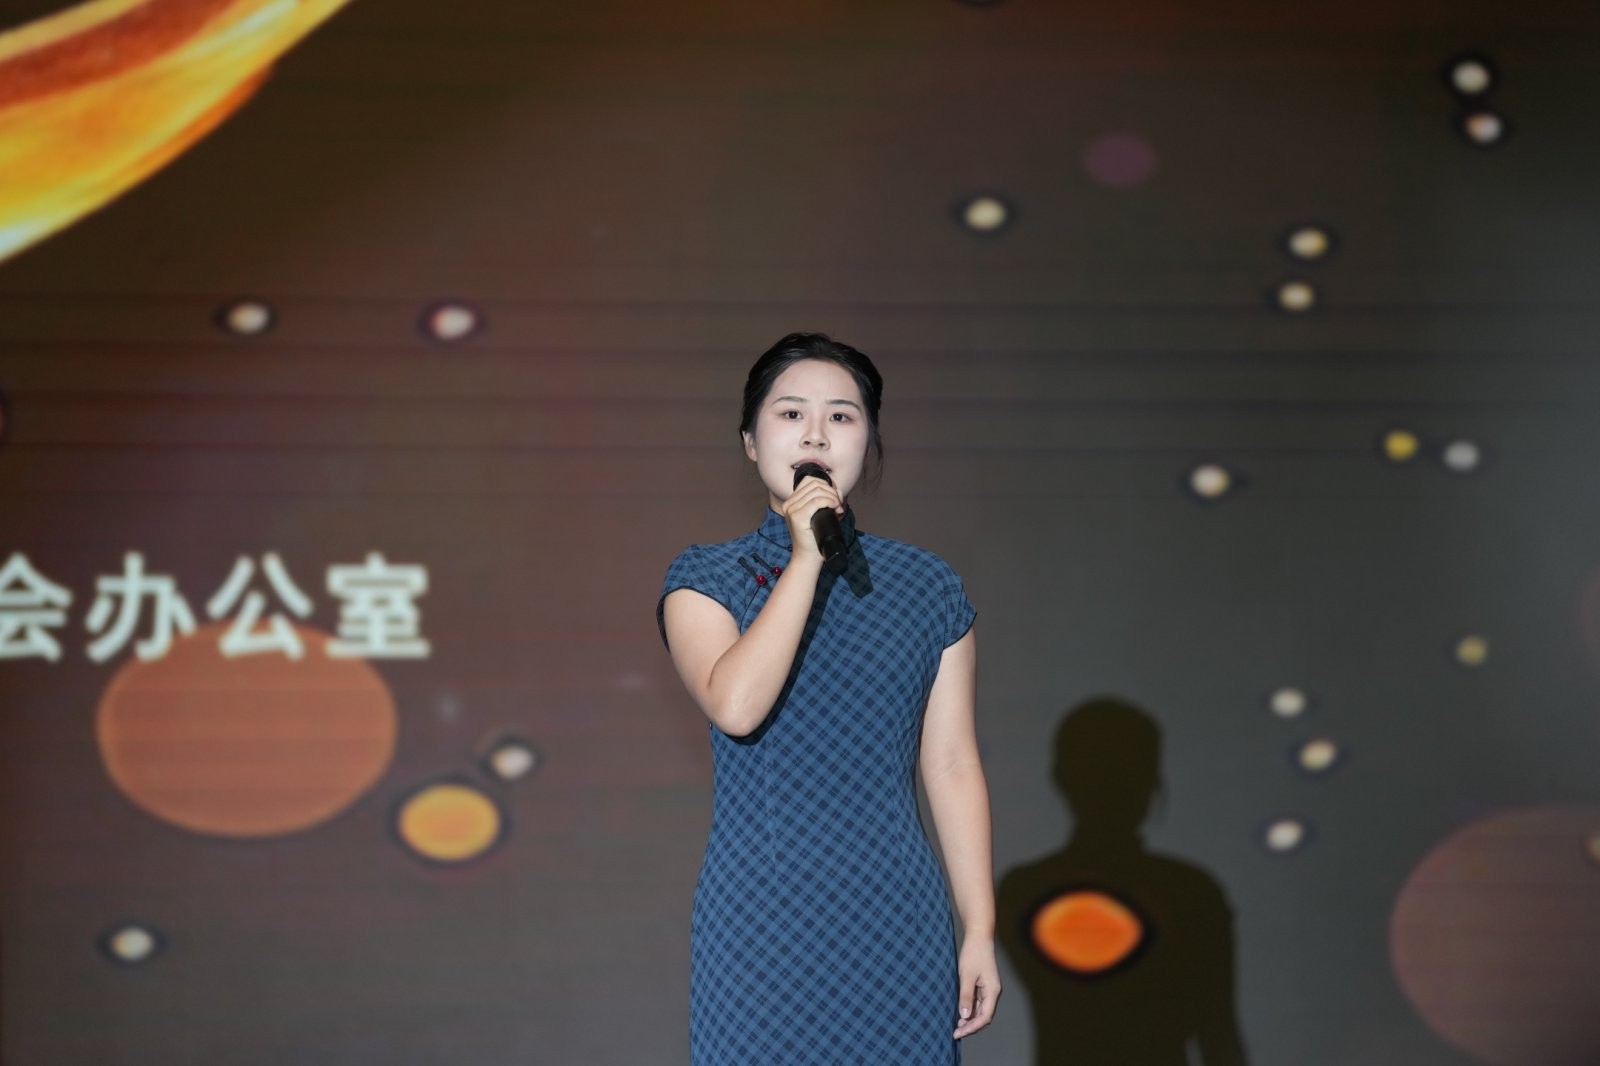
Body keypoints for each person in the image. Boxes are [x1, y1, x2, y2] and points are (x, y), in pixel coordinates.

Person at [657, 332, 1000, 1064]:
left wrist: (978, 929)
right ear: (750, 441)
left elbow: (950, 764)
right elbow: (737, 705)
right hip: (760, 924)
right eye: (791, 414)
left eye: (842, 416)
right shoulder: (706, 578)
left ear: (868, 442)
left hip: (897, 920)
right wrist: (806, 560)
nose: (816, 434)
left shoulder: (926, 587)